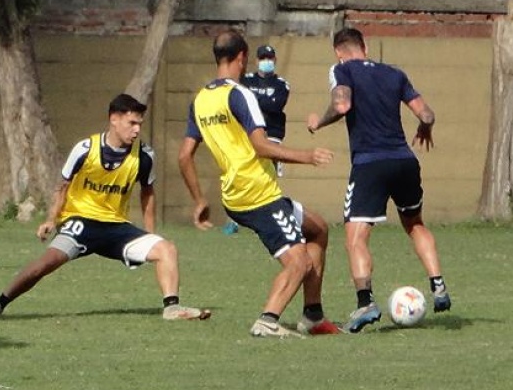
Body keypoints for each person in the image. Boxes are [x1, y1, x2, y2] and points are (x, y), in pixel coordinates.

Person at [0, 94, 210, 322]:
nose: (137, 129)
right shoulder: (85, 149)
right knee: (45, 263)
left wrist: (150, 233)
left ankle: (172, 307)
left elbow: (147, 193)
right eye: (132, 123)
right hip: (80, 222)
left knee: (166, 249)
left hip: (116, 227)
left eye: (140, 123)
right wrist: (51, 219)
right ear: (114, 119)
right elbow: (62, 186)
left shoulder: (144, 155)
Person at [178, 29, 339, 338]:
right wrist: (307, 156)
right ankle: (267, 320)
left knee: (318, 228)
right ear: (242, 57)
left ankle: (313, 316)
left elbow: (184, 155)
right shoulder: (240, 94)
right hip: (257, 194)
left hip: (235, 194)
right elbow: (261, 146)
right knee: (298, 262)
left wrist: (198, 199)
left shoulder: (201, 100)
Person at [307, 27, 451, 334]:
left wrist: (318, 122)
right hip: (405, 161)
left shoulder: (341, 70)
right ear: (366, 46)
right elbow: (426, 114)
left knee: (356, 237)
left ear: (338, 52)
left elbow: (342, 105)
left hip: (371, 164)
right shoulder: (393, 73)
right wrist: (426, 128)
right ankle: (438, 285)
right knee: (415, 223)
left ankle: (365, 303)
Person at [221, 44, 291, 235]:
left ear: (275, 60)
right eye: (263, 58)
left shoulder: (281, 84)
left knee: (269, 177)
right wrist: (256, 103)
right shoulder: (246, 79)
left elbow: (276, 105)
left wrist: (252, 101)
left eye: (269, 58)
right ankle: (233, 220)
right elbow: (238, 101)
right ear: (256, 60)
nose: (266, 61)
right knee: (242, 174)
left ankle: (272, 216)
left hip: (272, 136)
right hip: (247, 135)